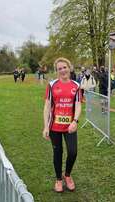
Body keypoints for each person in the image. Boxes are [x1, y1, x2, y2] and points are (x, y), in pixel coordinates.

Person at [43, 57, 82, 193]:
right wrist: (45, 126)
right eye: (59, 68)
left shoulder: (76, 86)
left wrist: (75, 121)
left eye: (64, 67)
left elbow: (78, 105)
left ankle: (68, 175)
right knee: (57, 152)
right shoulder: (52, 85)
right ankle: (59, 179)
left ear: (69, 67)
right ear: (57, 71)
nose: (62, 70)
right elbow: (47, 107)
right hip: (54, 127)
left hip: (70, 127)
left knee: (73, 152)